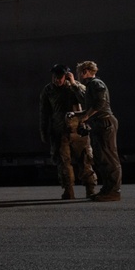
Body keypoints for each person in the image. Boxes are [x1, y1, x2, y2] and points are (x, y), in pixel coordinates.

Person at [38, 64, 97, 199]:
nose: (56, 80)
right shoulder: (48, 91)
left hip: (78, 130)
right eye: (54, 77)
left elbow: (87, 101)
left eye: (59, 77)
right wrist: (43, 131)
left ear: (66, 76)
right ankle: (68, 190)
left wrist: (74, 84)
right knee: (63, 162)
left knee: (85, 160)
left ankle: (90, 189)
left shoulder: (75, 87)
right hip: (59, 131)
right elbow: (44, 113)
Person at [70, 60, 122, 202]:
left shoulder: (96, 84)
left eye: (79, 72)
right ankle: (107, 189)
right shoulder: (90, 85)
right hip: (99, 123)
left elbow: (100, 104)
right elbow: (91, 106)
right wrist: (77, 114)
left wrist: (85, 116)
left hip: (105, 122)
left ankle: (114, 191)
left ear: (85, 72)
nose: (78, 75)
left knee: (109, 158)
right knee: (101, 158)